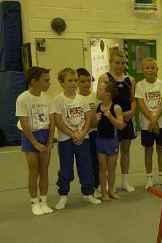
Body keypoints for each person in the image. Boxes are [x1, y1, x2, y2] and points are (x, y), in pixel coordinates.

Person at [53, 68, 101, 209]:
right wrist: (72, 133)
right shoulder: (58, 100)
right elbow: (58, 121)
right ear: (62, 83)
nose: (73, 83)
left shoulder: (82, 99)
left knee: (86, 165)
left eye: (75, 80)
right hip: (65, 139)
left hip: (83, 137)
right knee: (66, 168)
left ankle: (88, 193)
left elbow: (88, 118)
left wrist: (82, 132)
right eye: (70, 80)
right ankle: (63, 195)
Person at [16, 67, 55, 215]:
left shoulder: (48, 98)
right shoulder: (23, 98)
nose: (49, 83)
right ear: (34, 82)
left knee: (44, 170)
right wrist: (34, 143)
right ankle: (34, 202)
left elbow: (52, 122)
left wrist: (50, 141)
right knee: (34, 171)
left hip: (44, 134)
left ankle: (44, 201)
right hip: (30, 135)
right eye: (46, 80)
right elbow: (24, 124)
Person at [98, 48, 137, 192]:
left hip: (126, 119)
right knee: (110, 154)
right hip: (111, 120)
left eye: (122, 63)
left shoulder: (130, 80)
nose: (119, 66)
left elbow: (133, 100)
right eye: (116, 63)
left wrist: (132, 112)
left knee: (126, 151)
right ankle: (109, 184)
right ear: (111, 63)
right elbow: (99, 97)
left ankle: (125, 181)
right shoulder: (105, 78)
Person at [135, 57, 162, 188]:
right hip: (147, 125)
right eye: (147, 68)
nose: (150, 70)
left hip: (161, 123)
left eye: (152, 67)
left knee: (161, 149)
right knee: (148, 150)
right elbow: (141, 104)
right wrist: (151, 119)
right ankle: (149, 177)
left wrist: (155, 118)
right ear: (143, 70)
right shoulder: (140, 85)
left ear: (157, 69)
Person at [94, 81, 125, 200]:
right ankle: (104, 192)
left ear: (108, 94)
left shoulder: (116, 107)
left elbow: (121, 125)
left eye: (100, 90)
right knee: (102, 168)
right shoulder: (98, 106)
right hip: (100, 140)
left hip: (112, 141)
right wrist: (95, 120)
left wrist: (110, 117)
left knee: (111, 168)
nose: (98, 92)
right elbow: (93, 124)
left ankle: (111, 190)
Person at [76, 68, 102, 196]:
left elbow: (99, 115)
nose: (86, 84)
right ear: (77, 83)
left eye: (88, 81)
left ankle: (97, 185)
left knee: (98, 161)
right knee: (86, 162)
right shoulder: (76, 99)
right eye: (82, 82)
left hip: (96, 133)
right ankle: (87, 187)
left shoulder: (95, 96)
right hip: (84, 134)